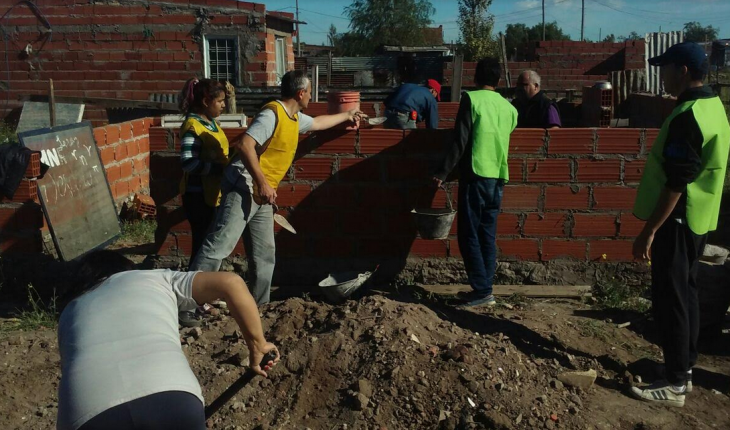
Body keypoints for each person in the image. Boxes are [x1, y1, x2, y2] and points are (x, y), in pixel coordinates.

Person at [190, 70, 362, 305]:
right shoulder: (272, 115)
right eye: (309, 92)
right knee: (219, 245)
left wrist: (348, 114)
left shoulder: (293, 118)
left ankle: (258, 306)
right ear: (300, 93)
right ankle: (190, 302)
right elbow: (245, 145)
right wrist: (262, 183)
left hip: (261, 193)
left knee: (264, 255)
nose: (311, 96)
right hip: (245, 185)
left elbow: (318, 122)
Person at [56, 250, 280, 430]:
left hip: (86, 412)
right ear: (126, 268)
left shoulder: (69, 312)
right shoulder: (154, 278)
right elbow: (231, 282)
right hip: (170, 397)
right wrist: (258, 345)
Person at [630, 42, 729, 407]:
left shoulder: (688, 116)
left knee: (670, 297)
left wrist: (649, 231)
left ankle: (673, 383)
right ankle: (683, 369)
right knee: (685, 292)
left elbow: (676, 181)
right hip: (698, 218)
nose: (662, 75)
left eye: (665, 68)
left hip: (677, 218)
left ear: (682, 71)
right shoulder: (713, 105)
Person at [432, 58, 518, 307]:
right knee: (487, 235)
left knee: (469, 234)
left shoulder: (471, 99)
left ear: (475, 77)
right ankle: (485, 288)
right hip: (498, 176)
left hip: (476, 174)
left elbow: (460, 140)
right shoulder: (509, 108)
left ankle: (482, 290)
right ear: (498, 80)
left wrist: (443, 172)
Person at [177, 78, 232, 327]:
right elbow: (188, 162)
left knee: (206, 247)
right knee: (202, 250)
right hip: (198, 196)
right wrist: (218, 169)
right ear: (206, 101)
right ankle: (187, 304)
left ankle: (202, 296)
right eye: (220, 101)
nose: (223, 105)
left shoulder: (210, 123)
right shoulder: (193, 126)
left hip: (211, 195)